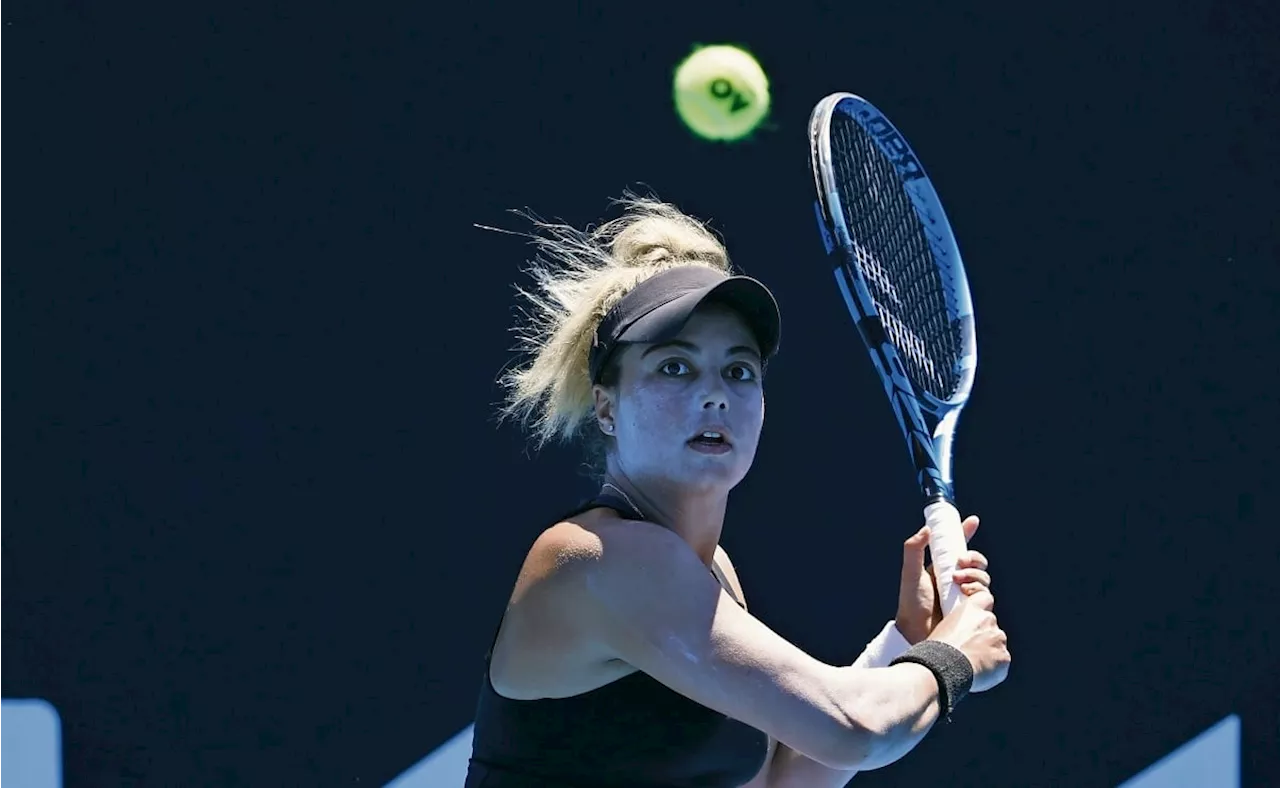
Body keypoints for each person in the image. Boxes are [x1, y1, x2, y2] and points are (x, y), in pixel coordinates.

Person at [465, 196, 1010, 787]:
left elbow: (778, 781)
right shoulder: (598, 560)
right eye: (675, 366)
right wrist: (951, 657)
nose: (715, 394)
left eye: (739, 370)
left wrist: (907, 641)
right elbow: (853, 728)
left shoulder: (711, 572)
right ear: (606, 407)